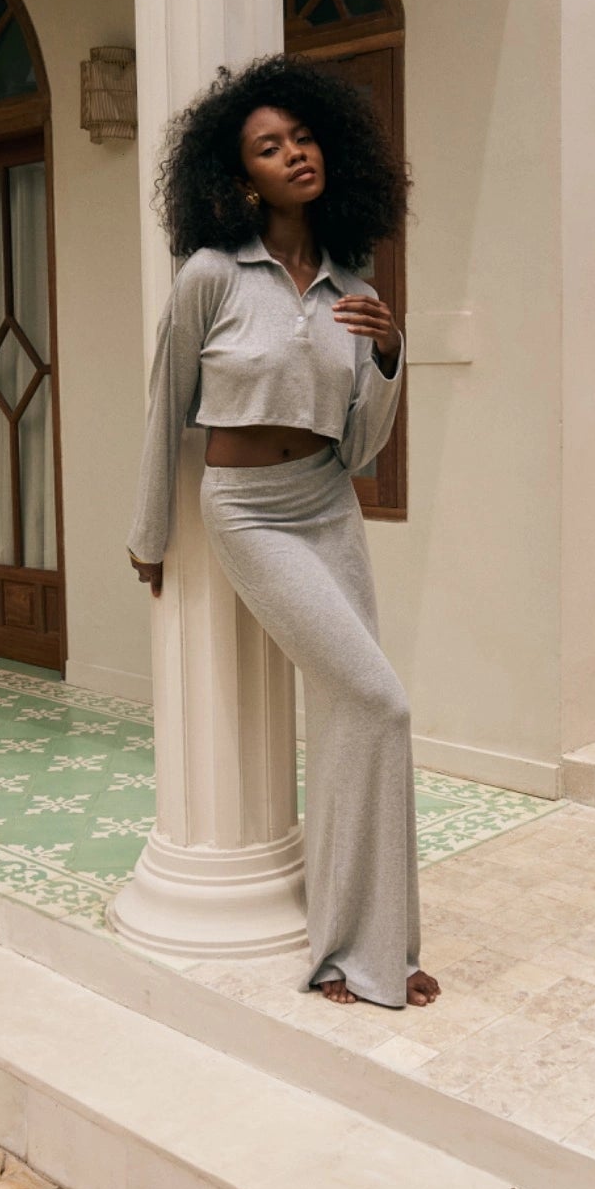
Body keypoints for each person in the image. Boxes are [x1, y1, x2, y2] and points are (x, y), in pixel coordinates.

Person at [124, 55, 437, 1010]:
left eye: (303, 138)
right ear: (239, 174)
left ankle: (368, 946)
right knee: (381, 700)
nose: (294, 153)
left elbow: (363, 445)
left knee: (354, 715)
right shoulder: (211, 277)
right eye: (271, 146)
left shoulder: (353, 279)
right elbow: (164, 406)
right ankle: (354, 946)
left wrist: (388, 352)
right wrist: (148, 534)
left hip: (328, 501)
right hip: (250, 511)